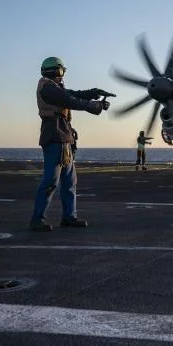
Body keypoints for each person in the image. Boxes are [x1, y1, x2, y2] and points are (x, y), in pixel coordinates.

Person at [29, 56, 112, 232]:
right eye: (62, 71)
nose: (63, 74)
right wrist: (95, 106)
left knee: (69, 181)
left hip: (64, 135)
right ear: (55, 71)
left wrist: (92, 92)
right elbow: (70, 100)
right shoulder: (48, 88)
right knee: (51, 180)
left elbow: (72, 94)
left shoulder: (53, 87)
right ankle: (37, 219)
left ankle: (69, 217)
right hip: (55, 135)